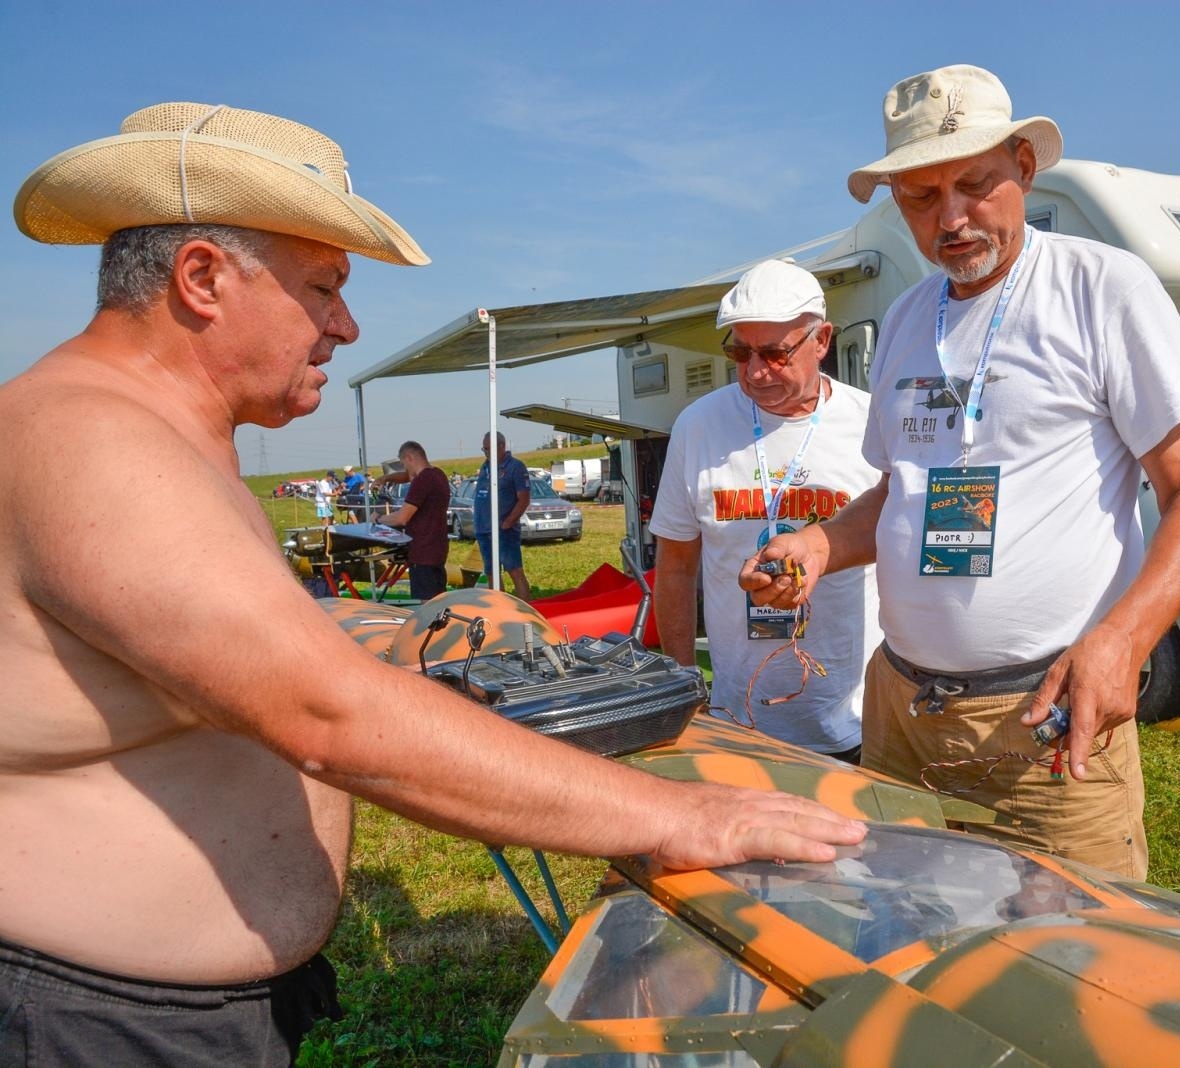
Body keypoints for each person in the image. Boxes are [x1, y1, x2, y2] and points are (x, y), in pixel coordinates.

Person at [0, 101, 862, 1065]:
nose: (346, 324)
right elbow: (326, 715)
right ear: (202, 278)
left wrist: (394, 630)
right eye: (323, 287)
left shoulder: (140, 439)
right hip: (88, 1023)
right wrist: (685, 814)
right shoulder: (98, 447)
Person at [742, 65, 1180, 880]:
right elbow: (901, 492)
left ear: (1025, 168)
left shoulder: (1101, 289)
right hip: (901, 711)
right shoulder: (904, 318)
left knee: (1074, 968)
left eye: (974, 184)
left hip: (1046, 722)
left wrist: (1123, 640)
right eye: (921, 199)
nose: (952, 219)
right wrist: (822, 544)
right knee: (911, 939)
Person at [650, 260, 882, 763]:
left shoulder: (870, 421)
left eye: (776, 353)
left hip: (858, 718)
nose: (755, 372)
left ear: (821, 340)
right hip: (739, 719)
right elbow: (675, 565)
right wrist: (684, 685)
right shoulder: (699, 426)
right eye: (740, 351)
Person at [376, 441, 451, 601]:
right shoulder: (438, 474)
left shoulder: (422, 480)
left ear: (409, 458)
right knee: (439, 603)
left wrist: (379, 519)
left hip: (422, 552)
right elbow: (408, 476)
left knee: (425, 606)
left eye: (404, 464)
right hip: (438, 548)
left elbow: (402, 518)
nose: (405, 469)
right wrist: (387, 478)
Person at [474, 431, 533, 601]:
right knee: (492, 573)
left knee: (514, 570)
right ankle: (499, 607)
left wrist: (508, 522)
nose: (486, 453)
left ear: (502, 446)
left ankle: (527, 611)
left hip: (504, 530)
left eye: (489, 449)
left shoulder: (515, 467)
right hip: (484, 529)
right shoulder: (485, 467)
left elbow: (524, 499)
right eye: (484, 449)